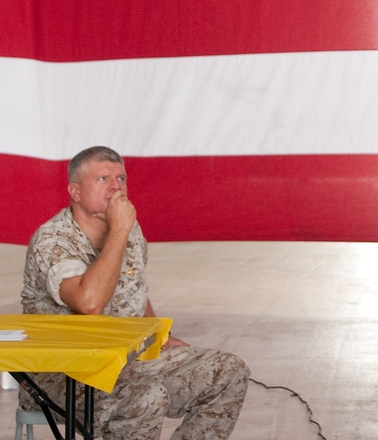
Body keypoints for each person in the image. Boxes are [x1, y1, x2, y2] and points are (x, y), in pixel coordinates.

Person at [20, 146, 250, 440]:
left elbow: (136, 289)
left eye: (121, 178)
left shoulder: (129, 228)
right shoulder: (52, 238)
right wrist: (119, 230)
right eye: (103, 178)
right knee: (147, 396)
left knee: (229, 370)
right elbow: (88, 303)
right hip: (66, 376)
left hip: (125, 361)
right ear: (75, 192)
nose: (116, 186)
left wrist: (158, 337)